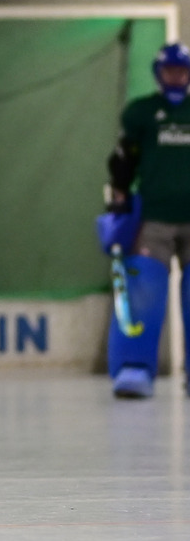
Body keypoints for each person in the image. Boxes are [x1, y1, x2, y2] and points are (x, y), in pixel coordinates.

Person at [103, 42, 190, 399]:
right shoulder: (142, 113)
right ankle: (134, 367)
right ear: (158, 73)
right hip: (152, 219)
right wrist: (119, 196)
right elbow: (124, 161)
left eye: (181, 70)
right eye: (169, 70)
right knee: (143, 291)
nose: (175, 76)